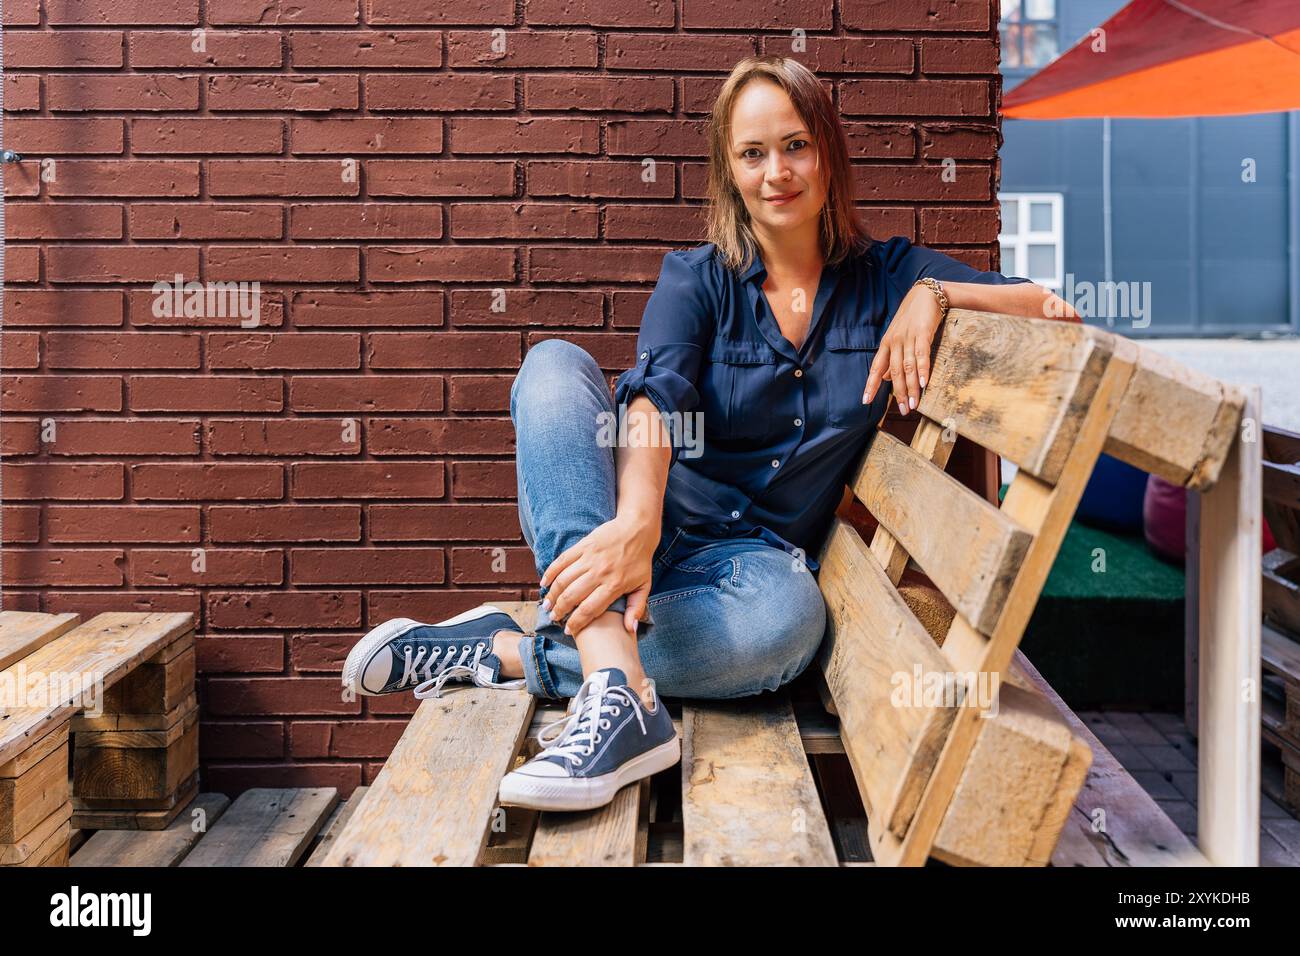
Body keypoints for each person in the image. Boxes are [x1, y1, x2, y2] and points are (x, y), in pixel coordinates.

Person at [342, 55, 1074, 812]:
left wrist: (934, 292)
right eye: (752, 154)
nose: (776, 172)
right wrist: (635, 520)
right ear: (730, 172)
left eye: (795, 145)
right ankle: (619, 694)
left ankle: (512, 652)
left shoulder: (886, 276)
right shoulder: (698, 278)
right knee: (555, 368)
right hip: (645, 528)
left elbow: (1054, 309)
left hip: (752, 571)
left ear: (828, 151)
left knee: (788, 631)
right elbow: (656, 400)